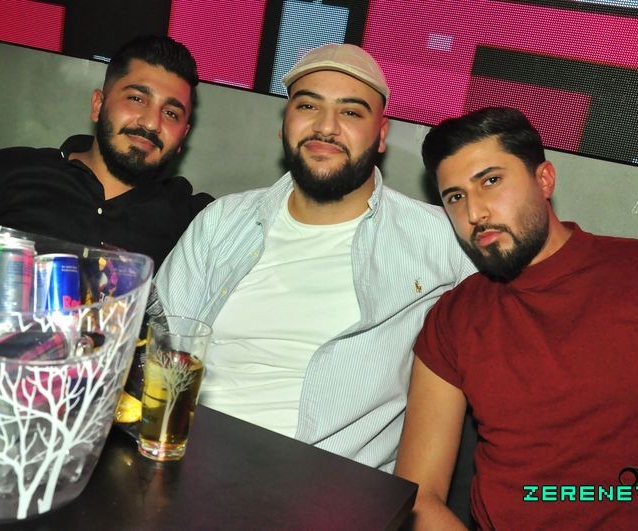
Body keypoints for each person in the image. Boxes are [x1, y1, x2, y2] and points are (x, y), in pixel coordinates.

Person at [150, 44, 475, 472]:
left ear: (381, 135)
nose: (326, 127)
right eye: (308, 106)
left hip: (329, 487)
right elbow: (159, 346)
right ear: (284, 122)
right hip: (189, 461)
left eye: (351, 112)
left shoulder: (439, 238)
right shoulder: (222, 221)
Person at [396, 107, 638, 528]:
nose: (475, 213)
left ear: (544, 180)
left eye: (491, 181)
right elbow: (419, 496)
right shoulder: (453, 319)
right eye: (455, 197)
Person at [0, 35, 213, 269]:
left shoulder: (199, 223)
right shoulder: (5, 172)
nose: (151, 123)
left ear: (183, 135)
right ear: (98, 105)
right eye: (137, 98)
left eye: (171, 113)